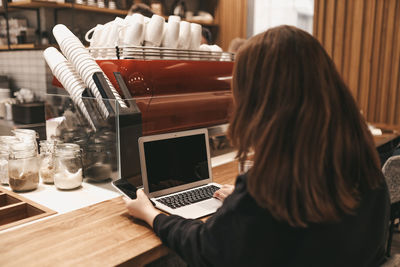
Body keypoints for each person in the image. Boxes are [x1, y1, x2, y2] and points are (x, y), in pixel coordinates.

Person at [124, 25, 390, 266]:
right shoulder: (364, 166)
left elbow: (206, 249)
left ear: (259, 100)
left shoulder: (269, 189)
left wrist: (151, 215)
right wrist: (240, 206)